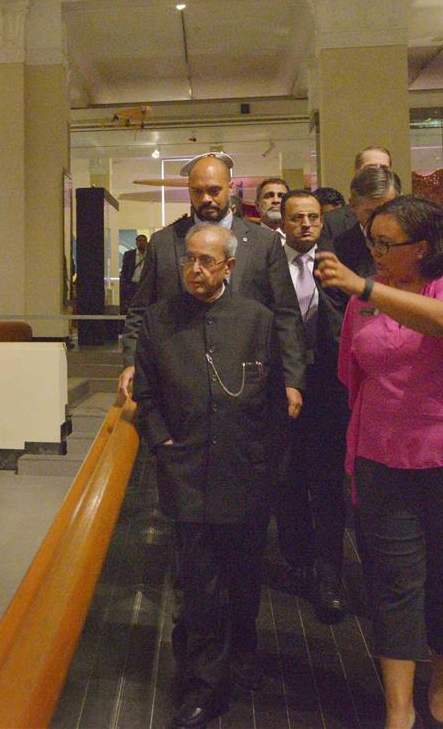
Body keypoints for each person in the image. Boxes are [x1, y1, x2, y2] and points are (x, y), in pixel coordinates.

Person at [315, 196, 443, 729]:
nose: (375, 252)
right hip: (382, 458)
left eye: (386, 243)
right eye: (371, 242)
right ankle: (399, 706)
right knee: (393, 581)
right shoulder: (368, 298)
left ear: (422, 247)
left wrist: (365, 286)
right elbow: (351, 367)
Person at [132, 223, 288, 728]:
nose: (194, 270)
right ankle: (202, 685)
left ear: (228, 267)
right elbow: (148, 396)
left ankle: (242, 657)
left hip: (246, 470)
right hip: (187, 471)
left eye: (206, 262)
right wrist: (163, 442)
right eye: (189, 261)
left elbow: (274, 398)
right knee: (198, 584)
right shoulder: (158, 322)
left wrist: (267, 462)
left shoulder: (257, 320)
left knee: (244, 578)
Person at [118, 152, 305, 417]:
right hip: (179, 381)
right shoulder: (164, 242)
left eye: (214, 190)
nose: (206, 199)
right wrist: (131, 362)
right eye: (197, 191)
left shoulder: (264, 243)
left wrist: (292, 379)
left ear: (231, 187)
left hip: (248, 381)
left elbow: (286, 314)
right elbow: (141, 310)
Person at [273, 189, 349, 623]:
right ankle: (296, 562)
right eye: (297, 217)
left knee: (327, 486)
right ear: (282, 222)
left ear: (322, 222)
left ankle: (329, 576)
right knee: (287, 480)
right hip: (281, 387)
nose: (305, 224)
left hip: (327, 389)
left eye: (313, 218)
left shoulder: (338, 267)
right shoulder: (268, 265)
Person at [329, 165, 402, 278]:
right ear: (353, 205)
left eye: (386, 211)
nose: (379, 221)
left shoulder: (414, 243)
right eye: (371, 213)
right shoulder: (336, 250)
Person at [119, 233, 149, 314]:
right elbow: (125, 270)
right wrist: (125, 284)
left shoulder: (150, 255)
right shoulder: (129, 254)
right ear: (136, 243)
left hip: (144, 285)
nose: (142, 242)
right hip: (132, 285)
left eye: (144, 241)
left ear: (147, 242)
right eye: (139, 240)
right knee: (130, 304)